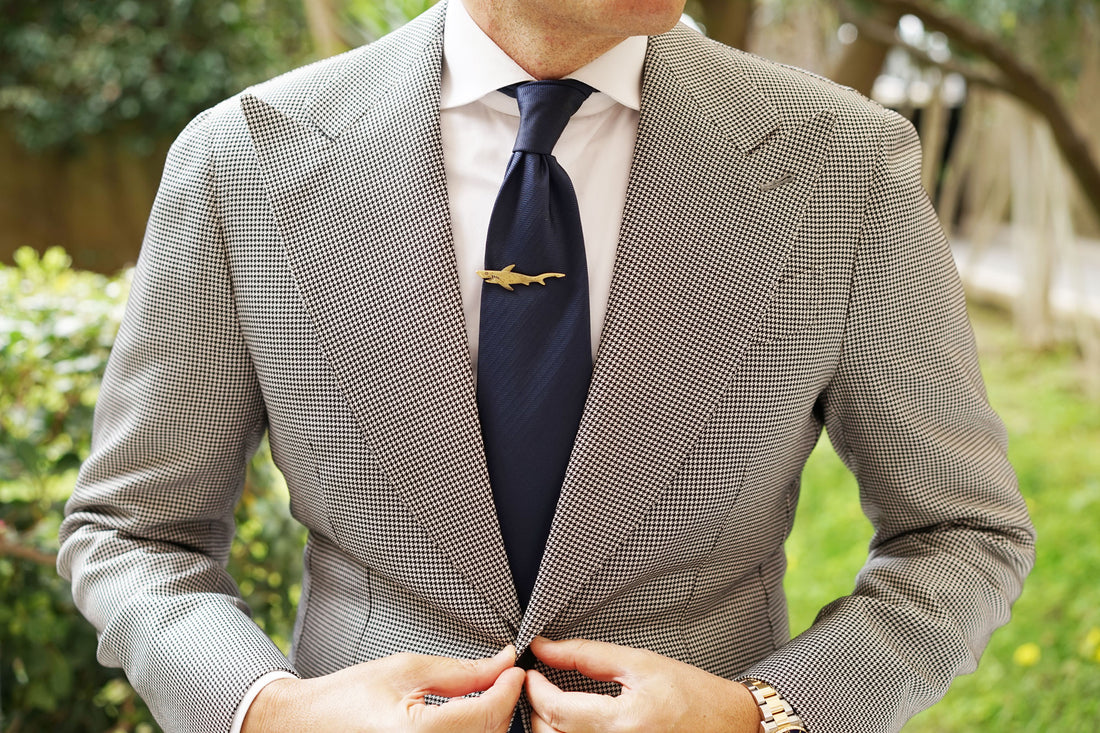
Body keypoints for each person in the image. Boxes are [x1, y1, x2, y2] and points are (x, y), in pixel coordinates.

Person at [58, 0, 1035, 731]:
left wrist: (766, 713)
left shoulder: (843, 166)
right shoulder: (240, 161)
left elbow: (960, 530)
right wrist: (269, 711)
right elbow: (135, 532)